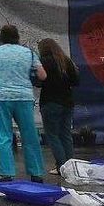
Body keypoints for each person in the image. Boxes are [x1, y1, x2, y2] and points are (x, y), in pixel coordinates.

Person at [0, 24, 47, 183]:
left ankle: (6, 173)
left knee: (3, 135)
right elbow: (42, 75)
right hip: (23, 97)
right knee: (29, 134)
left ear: (1, 37)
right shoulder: (29, 53)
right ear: (17, 37)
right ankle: (36, 172)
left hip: (0, 97)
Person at [37, 38, 80, 175]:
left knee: (53, 135)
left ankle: (61, 166)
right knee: (65, 134)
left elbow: (38, 82)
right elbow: (76, 81)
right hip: (67, 102)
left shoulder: (43, 62)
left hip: (50, 102)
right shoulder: (66, 60)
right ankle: (71, 166)